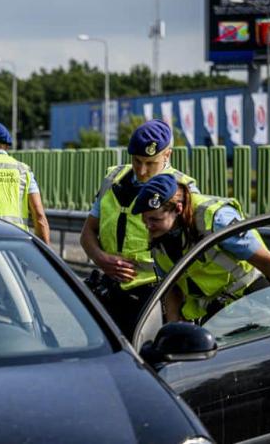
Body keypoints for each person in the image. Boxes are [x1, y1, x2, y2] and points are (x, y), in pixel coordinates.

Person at [132, 173, 270, 324]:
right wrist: (173, 325)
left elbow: (267, 262)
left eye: (154, 219)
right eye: (144, 219)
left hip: (258, 303)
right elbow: (171, 288)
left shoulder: (216, 220)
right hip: (217, 317)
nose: (147, 225)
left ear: (178, 209)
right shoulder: (158, 235)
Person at [79, 119, 198, 337]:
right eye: (136, 160)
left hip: (157, 295)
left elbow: (192, 252)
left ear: (167, 155)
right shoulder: (114, 179)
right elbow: (87, 232)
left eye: (150, 163)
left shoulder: (183, 189)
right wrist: (100, 258)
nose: (142, 170)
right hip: (110, 291)